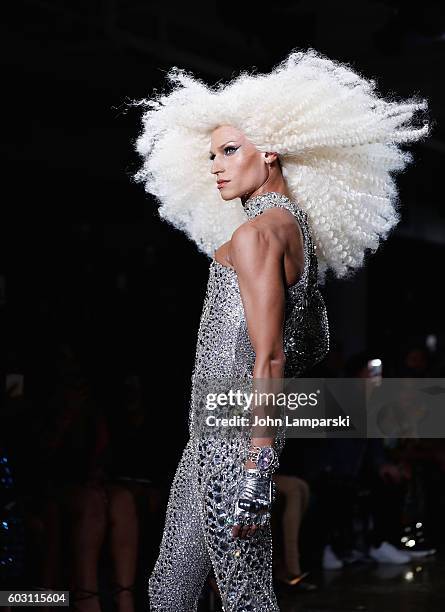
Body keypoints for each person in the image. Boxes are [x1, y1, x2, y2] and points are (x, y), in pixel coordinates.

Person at [129, 48, 431, 611]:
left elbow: (271, 359)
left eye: (228, 150)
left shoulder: (258, 234)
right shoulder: (295, 235)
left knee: (241, 597)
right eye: (211, 155)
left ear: (269, 152)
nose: (215, 165)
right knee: (169, 592)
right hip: (212, 438)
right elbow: (309, 344)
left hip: (231, 443)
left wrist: (256, 467)